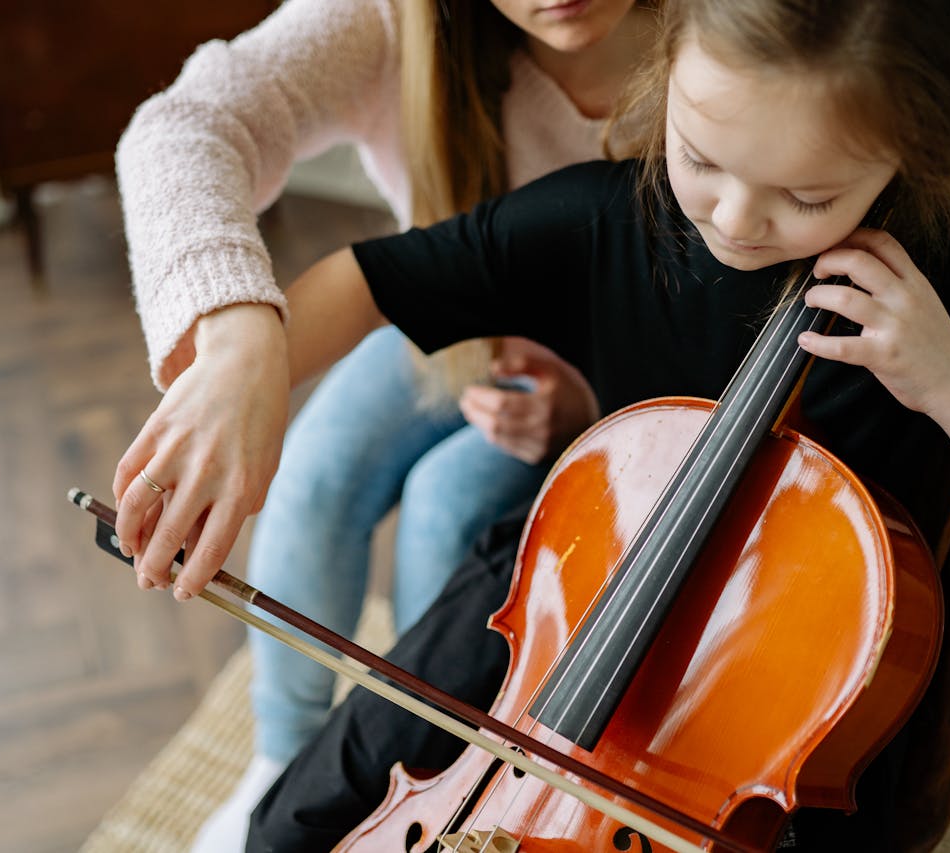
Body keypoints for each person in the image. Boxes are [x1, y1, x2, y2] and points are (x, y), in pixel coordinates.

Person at [114, 0, 950, 848]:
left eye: (807, 196)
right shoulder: (606, 216)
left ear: (913, 147)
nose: (734, 218)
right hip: (556, 599)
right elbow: (365, 280)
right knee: (299, 817)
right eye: (701, 158)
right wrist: (237, 373)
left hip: (791, 729)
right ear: (664, 70)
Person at [111, 0, 658, 845]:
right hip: (446, 330)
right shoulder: (391, 22)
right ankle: (287, 757)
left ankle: (414, 772)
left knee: (447, 509)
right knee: (316, 465)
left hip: (612, 386)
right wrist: (233, 337)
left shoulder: (727, 39)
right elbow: (183, 124)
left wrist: (587, 402)